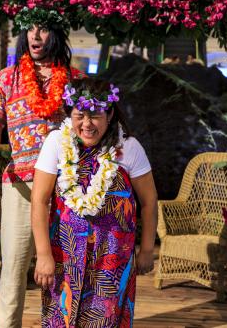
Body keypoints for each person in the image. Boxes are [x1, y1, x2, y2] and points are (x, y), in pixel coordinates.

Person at [0, 7, 85, 328]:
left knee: (67, 269)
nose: (35, 36)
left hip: (66, 188)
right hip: (21, 187)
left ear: (55, 35)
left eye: (43, 30)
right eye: (30, 29)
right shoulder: (7, 78)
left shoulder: (74, 79)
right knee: (13, 270)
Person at [31, 79, 158, 327]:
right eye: (80, 115)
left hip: (112, 258)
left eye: (95, 116)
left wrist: (147, 250)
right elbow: (39, 201)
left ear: (109, 114)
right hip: (64, 255)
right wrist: (43, 254)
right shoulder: (57, 142)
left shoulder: (128, 148)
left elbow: (150, 201)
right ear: (70, 114)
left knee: (104, 320)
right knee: (61, 319)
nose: (87, 124)